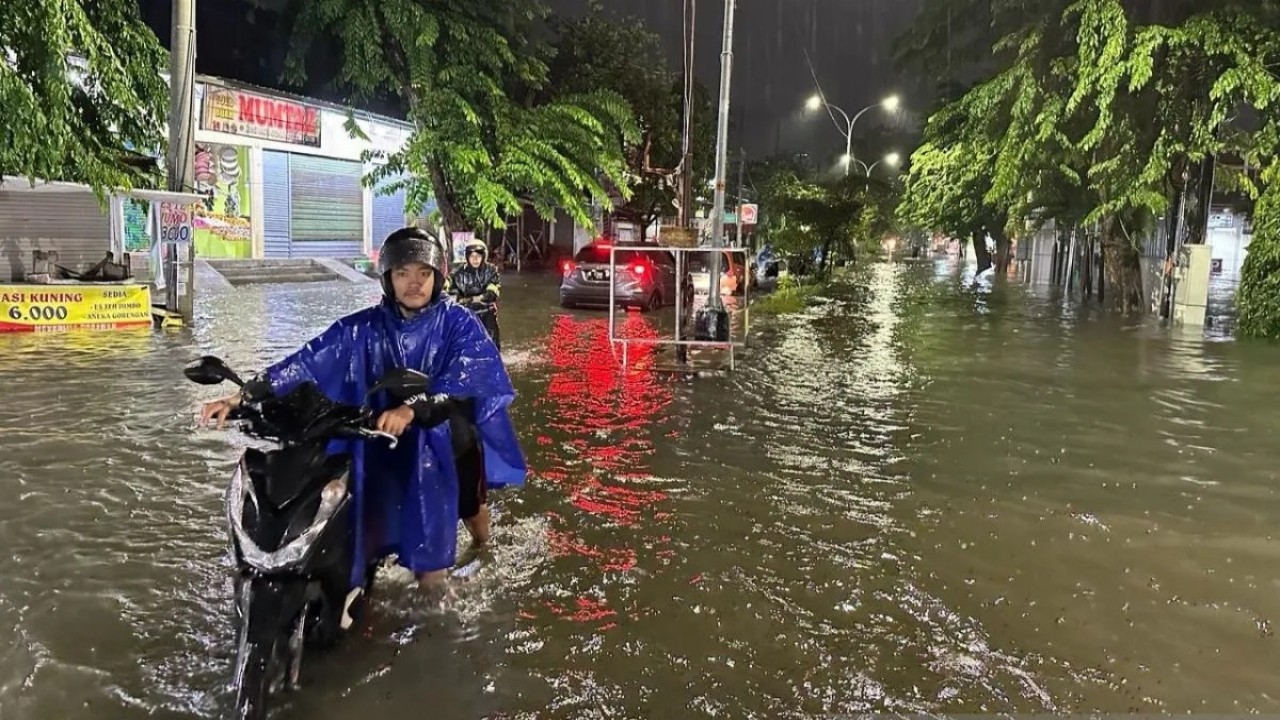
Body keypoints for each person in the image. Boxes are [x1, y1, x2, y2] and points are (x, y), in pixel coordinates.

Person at [199, 227, 526, 592]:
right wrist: (244, 395)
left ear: (438, 277)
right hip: (380, 437)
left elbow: (464, 379)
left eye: (423, 273)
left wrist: (413, 408)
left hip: (446, 439)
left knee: (460, 522)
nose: (413, 283)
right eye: (402, 273)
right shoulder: (363, 328)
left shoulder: (459, 322)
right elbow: (308, 361)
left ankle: (482, 549)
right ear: (388, 279)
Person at [445, 238, 502, 350]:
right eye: (472, 256)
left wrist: (472, 299)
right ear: (467, 257)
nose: (475, 259)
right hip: (466, 315)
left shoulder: (491, 271)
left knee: (491, 347)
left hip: (487, 314)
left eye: (478, 256)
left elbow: (492, 292)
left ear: (483, 257)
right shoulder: (458, 273)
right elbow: (447, 287)